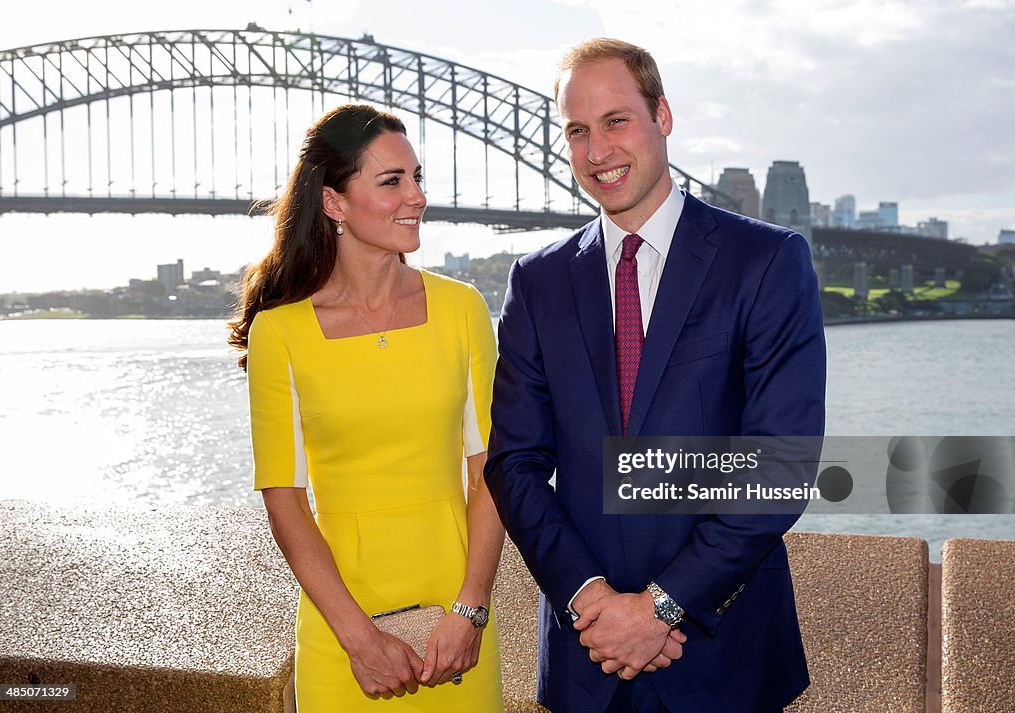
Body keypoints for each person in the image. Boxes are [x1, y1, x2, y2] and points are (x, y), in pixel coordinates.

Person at [484, 39, 826, 713]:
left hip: (725, 658)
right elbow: (515, 463)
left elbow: (781, 464)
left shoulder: (766, 260)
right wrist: (592, 600)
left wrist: (662, 607)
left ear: (662, 116)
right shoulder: (538, 281)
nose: (598, 150)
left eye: (617, 121)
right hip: (589, 662)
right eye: (577, 131)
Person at [228, 103, 505, 711]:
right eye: (391, 181)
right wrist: (361, 642)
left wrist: (471, 609)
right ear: (334, 204)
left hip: (457, 627)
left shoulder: (463, 310)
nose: (417, 196)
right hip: (343, 637)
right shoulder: (281, 334)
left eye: (417, 177)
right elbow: (285, 500)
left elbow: (492, 473)